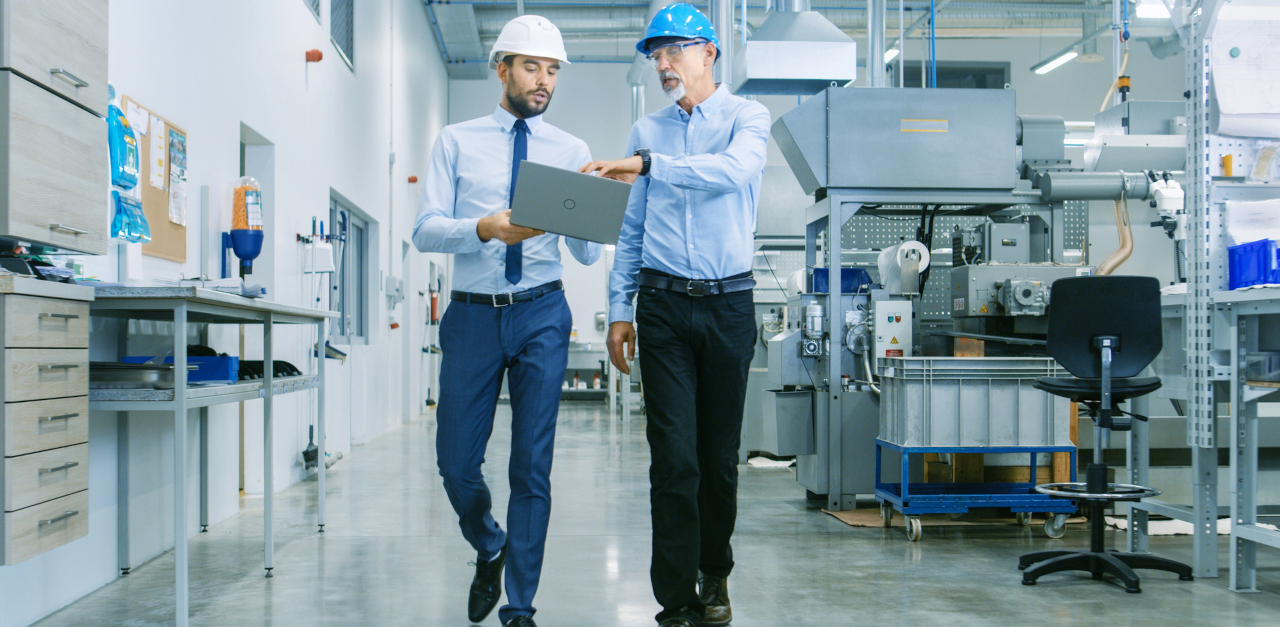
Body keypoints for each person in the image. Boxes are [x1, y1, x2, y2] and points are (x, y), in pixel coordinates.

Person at [579, 4, 770, 626]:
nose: (662, 65)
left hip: (728, 305)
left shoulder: (748, 117)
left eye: (673, 52)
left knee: (717, 459)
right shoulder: (647, 130)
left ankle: (715, 572)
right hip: (660, 307)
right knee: (673, 459)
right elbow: (631, 231)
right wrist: (617, 310)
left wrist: (653, 165)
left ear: (708, 53)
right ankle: (677, 600)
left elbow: (733, 173)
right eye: (655, 55)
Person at [412, 15, 600, 627]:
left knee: (531, 465)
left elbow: (589, 252)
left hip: (543, 312)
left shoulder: (570, 151)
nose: (543, 80)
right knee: (456, 464)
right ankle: (489, 543)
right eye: (531, 67)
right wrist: (483, 227)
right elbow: (423, 229)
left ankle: (520, 607)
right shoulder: (456, 141)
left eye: (552, 70)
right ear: (502, 68)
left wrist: (589, 205)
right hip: (471, 315)